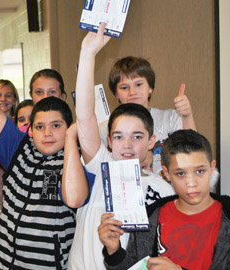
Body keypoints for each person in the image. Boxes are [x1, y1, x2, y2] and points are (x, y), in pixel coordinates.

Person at [0, 38, 89, 269]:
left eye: (56, 126)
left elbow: (76, 198)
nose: (47, 133)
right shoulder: (19, 149)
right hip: (3, 264)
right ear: (30, 129)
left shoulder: (77, 159)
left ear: (70, 129)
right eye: (39, 127)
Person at [68, 23, 175, 270]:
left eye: (137, 137)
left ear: (151, 141)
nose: (127, 145)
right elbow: (85, 117)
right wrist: (88, 53)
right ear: (108, 140)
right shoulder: (100, 166)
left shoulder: (163, 190)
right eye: (118, 137)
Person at [99, 129, 230, 269]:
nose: (191, 182)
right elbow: (135, 266)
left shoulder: (226, 215)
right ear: (166, 173)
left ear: (212, 168)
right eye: (180, 173)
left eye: (199, 171)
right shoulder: (150, 217)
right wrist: (114, 251)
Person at [98, 54, 196, 176]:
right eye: (124, 87)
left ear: (150, 87)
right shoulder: (106, 127)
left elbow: (193, 154)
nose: (132, 92)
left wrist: (187, 116)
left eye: (138, 85)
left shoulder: (171, 118)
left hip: (169, 191)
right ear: (116, 94)